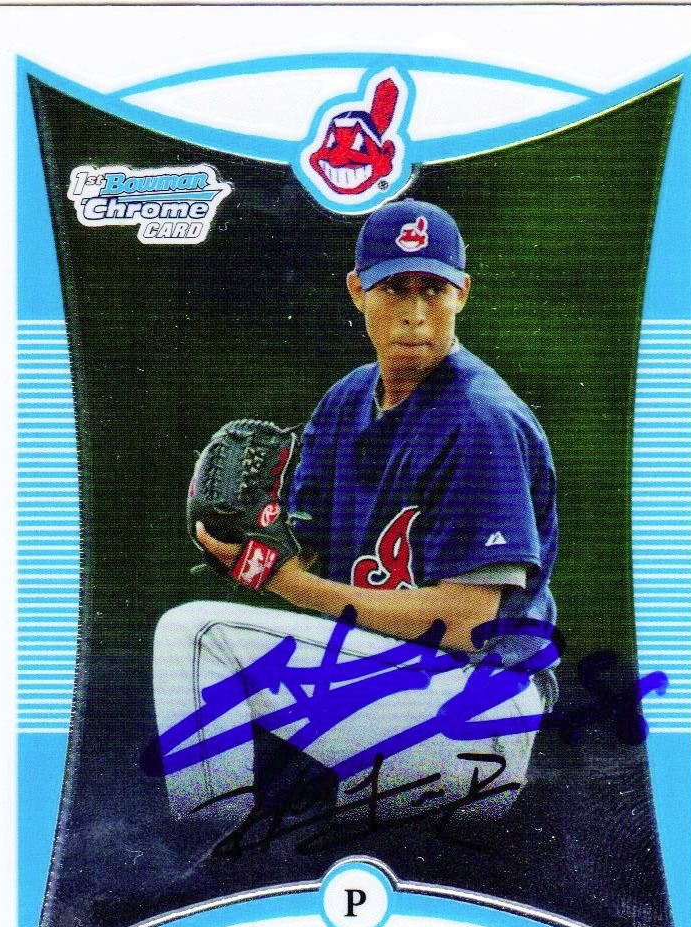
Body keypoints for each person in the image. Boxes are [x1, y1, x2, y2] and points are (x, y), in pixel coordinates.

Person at [153, 198, 558, 833]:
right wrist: (251, 551)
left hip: (479, 705)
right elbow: (307, 555)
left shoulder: (482, 420)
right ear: (358, 291)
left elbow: (468, 622)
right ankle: (233, 851)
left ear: (462, 294)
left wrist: (288, 584)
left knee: (197, 635)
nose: (415, 312)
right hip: (395, 688)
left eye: (433, 289)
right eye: (396, 288)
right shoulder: (345, 401)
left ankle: (204, 848)